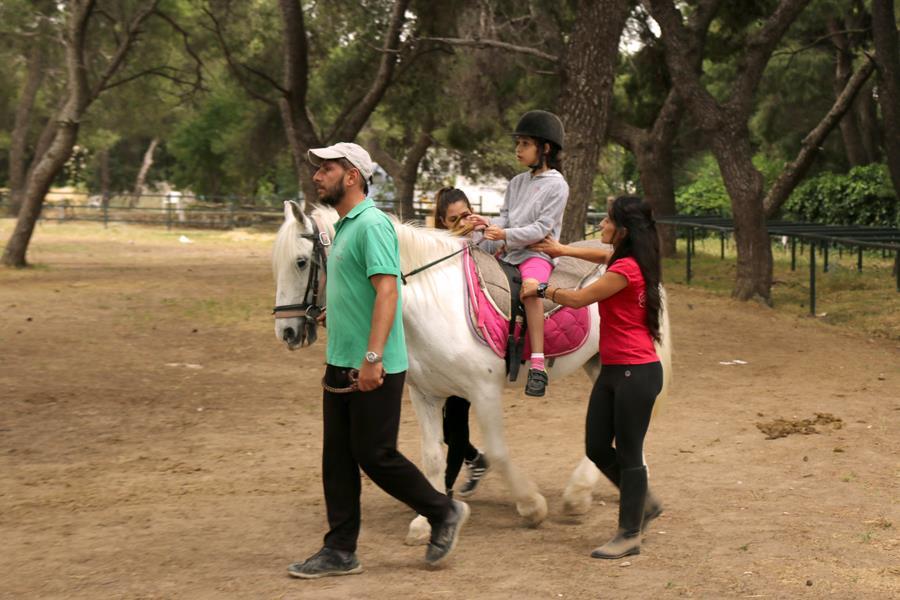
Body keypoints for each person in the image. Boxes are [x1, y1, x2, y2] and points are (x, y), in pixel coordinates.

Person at [287, 143, 469, 579]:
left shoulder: (371, 225)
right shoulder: (346, 227)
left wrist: (372, 358)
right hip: (340, 361)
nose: (317, 177)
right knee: (338, 459)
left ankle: (443, 511)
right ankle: (340, 549)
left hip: (374, 365)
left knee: (376, 454)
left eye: (326, 170)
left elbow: (389, 291)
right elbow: (360, 290)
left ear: (352, 176)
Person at [522, 195, 664, 559]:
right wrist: (562, 249)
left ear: (623, 231)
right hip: (616, 371)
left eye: (606, 221)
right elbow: (601, 255)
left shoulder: (627, 270)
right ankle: (642, 501)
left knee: (630, 454)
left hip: (637, 373)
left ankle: (630, 533)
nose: (601, 225)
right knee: (597, 447)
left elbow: (579, 299)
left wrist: (541, 289)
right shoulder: (628, 258)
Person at [467, 110, 569, 397]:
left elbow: (540, 229)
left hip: (537, 254)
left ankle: (538, 363)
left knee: (531, 290)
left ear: (545, 148)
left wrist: (505, 235)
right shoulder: (516, 183)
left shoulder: (558, 186)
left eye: (524, 144)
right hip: (510, 251)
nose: (518, 150)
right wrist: (486, 224)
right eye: (518, 144)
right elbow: (506, 218)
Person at [432, 187, 490, 497]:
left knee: (455, 422)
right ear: (442, 222)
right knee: (444, 429)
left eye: (466, 214)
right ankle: (476, 459)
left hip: (468, 339)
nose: (463, 222)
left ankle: (445, 491)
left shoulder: (485, 236)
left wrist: (481, 231)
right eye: (454, 219)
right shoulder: (438, 247)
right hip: (439, 343)